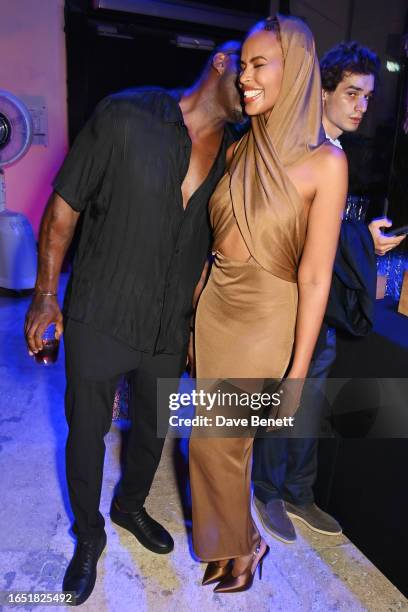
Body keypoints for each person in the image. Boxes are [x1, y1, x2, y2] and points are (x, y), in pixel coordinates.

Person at [24, 42, 244, 605]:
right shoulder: (125, 114)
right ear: (221, 62)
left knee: (153, 430)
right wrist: (46, 294)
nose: (256, 88)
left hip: (170, 326)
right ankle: (88, 537)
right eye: (252, 69)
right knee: (87, 433)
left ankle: (129, 508)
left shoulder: (237, 155)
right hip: (102, 308)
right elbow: (63, 208)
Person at [188, 14, 348, 593]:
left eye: (260, 65)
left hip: (265, 319)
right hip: (214, 311)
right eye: (244, 65)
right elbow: (213, 247)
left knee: (218, 441)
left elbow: (314, 277)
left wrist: (299, 372)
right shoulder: (238, 151)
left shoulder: (326, 163)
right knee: (218, 442)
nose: (245, 77)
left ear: (297, 70)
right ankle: (231, 542)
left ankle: (244, 546)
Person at [252, 42, 406, 544]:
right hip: (290, 301)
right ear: (322, 93)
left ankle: (299, 491)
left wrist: (364, 239)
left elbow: (330, 231)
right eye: (352, 93)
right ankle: (267, 489)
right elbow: (293, 230)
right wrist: (363, 240)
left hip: (325, 305)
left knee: (311, 402)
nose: (362, 106)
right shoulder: (302, 147)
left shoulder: (340, 151)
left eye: (368, 96)